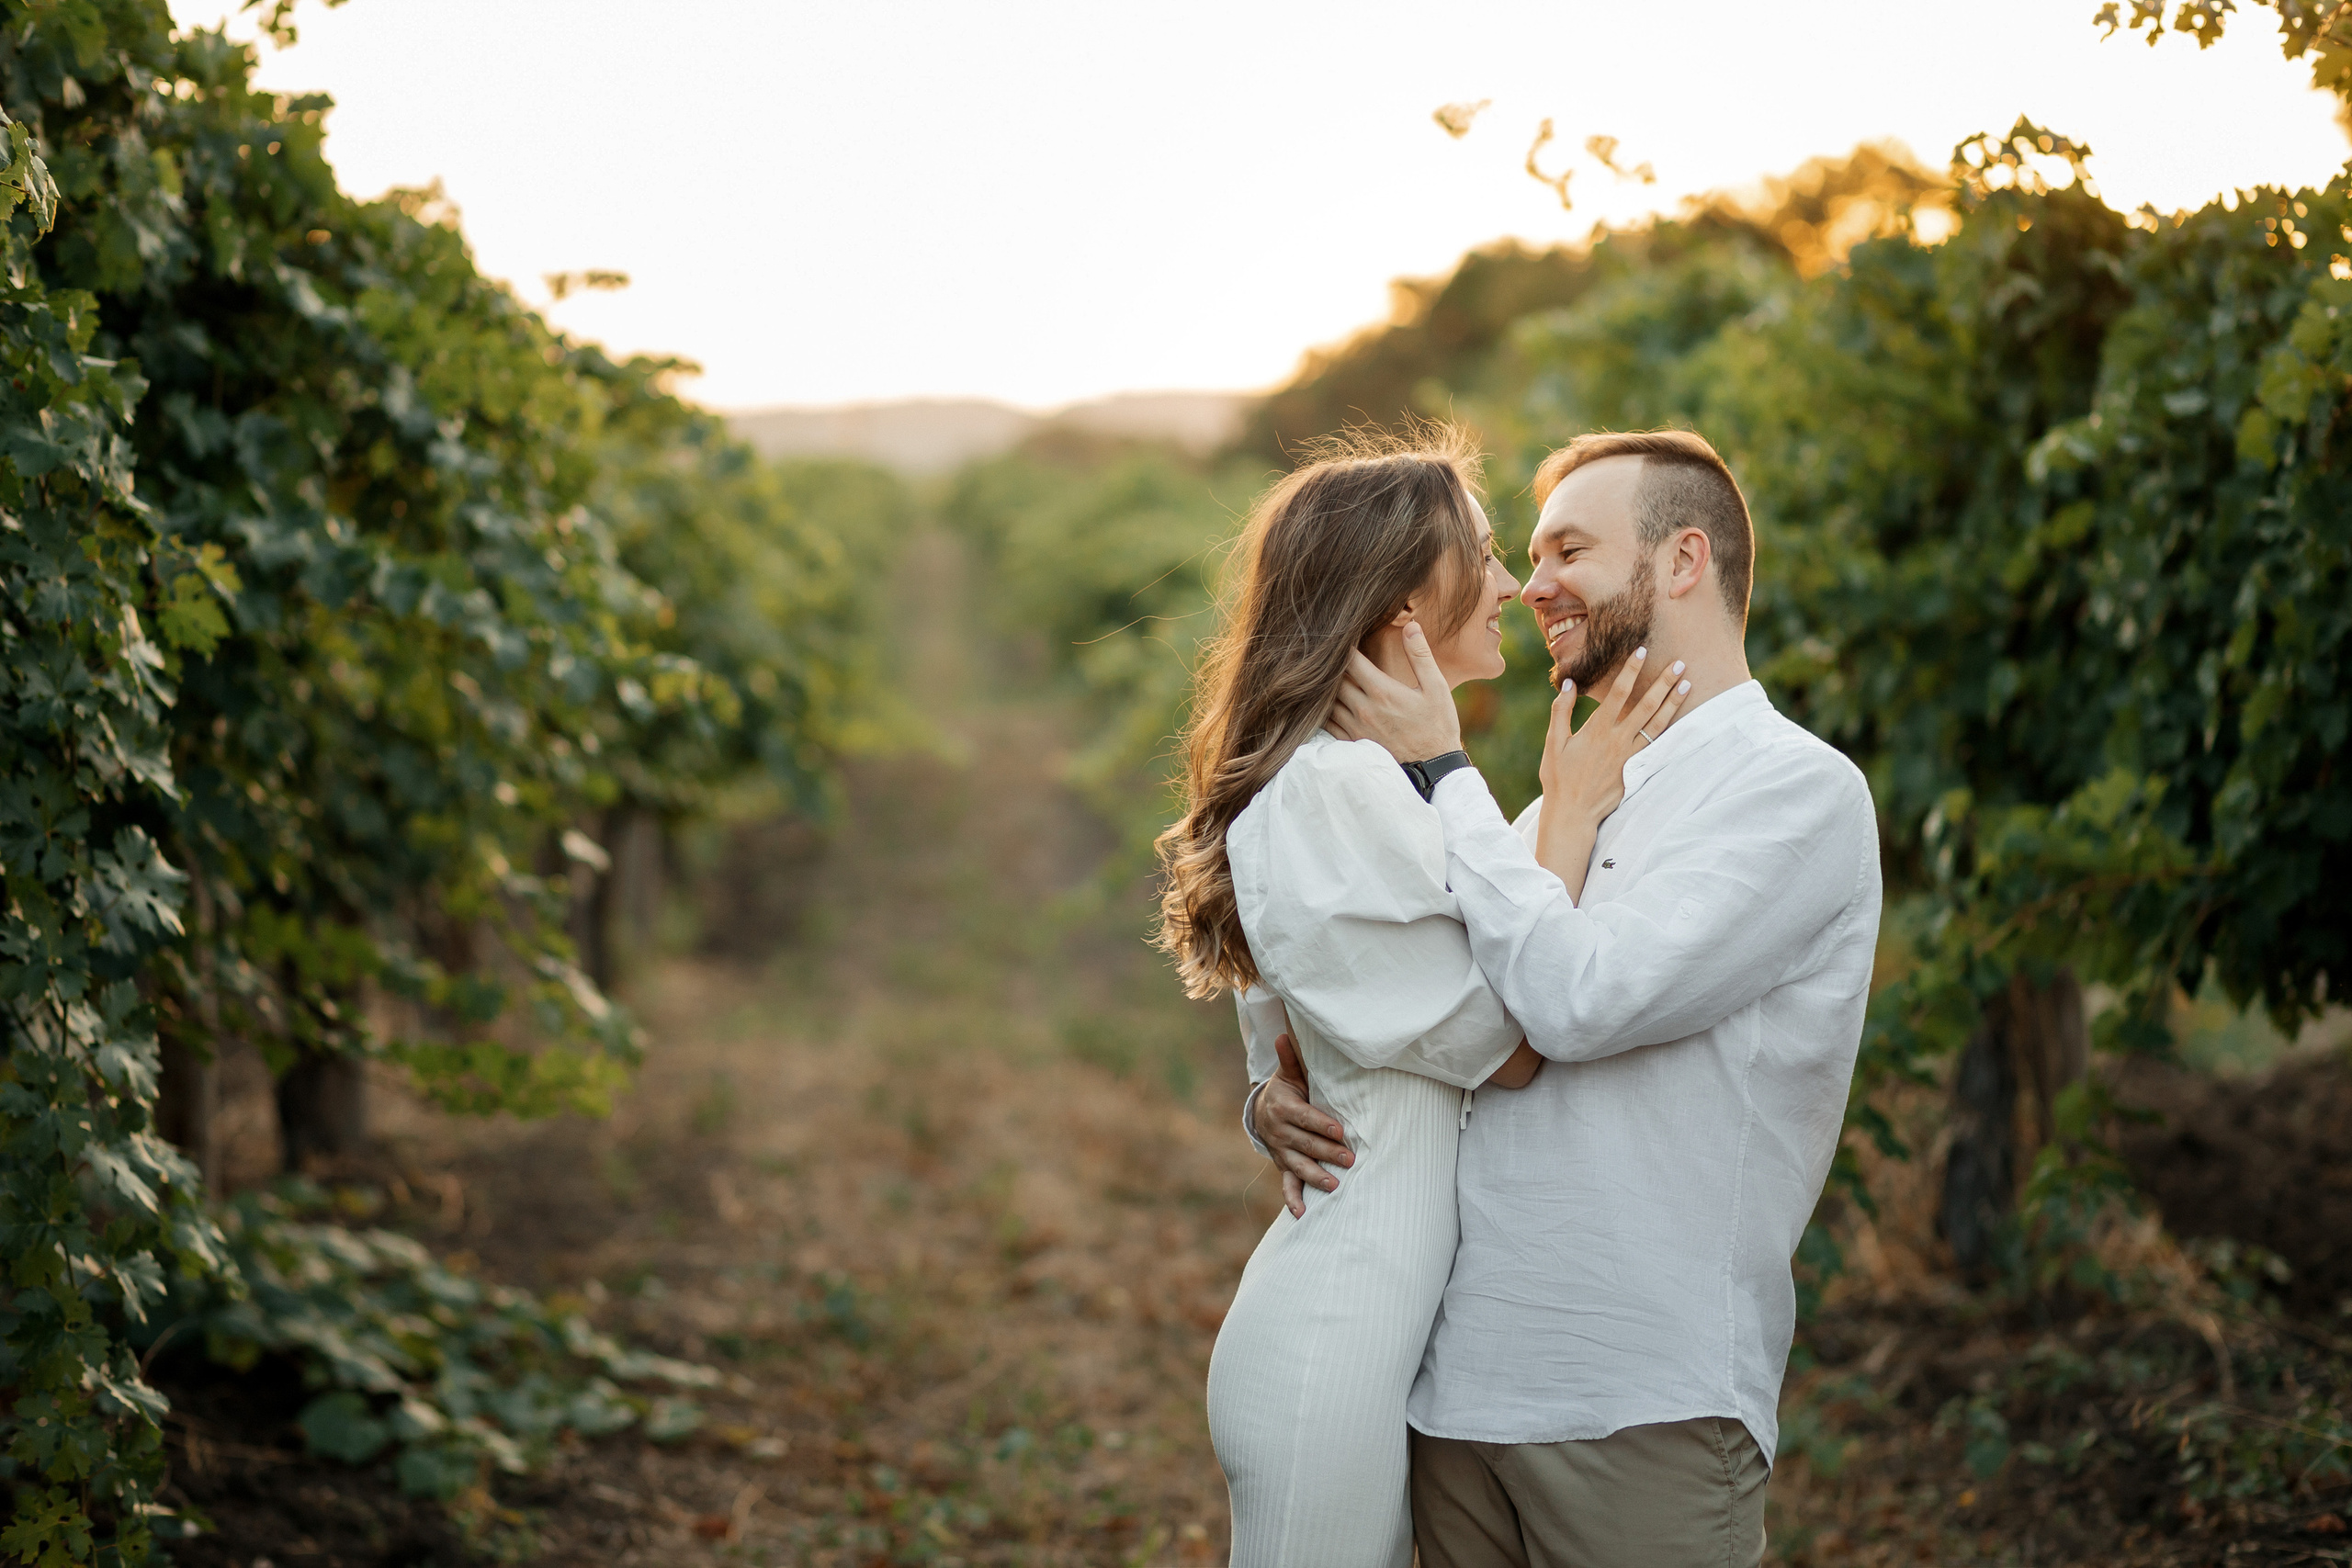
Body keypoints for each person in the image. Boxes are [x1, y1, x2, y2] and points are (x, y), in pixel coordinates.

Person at [1251, 428, 1883, 1568]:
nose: (1529, 585)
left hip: (1635, 1404)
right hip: (1453, 1397)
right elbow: (1408, 995)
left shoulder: (1793, 791)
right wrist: (1275, 1094)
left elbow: (1577, 1003)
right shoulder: (1558, 803)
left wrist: (1446, 772)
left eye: (1567, 552)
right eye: (1528, 554)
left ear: (1682, 560)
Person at [1155, 428, 1646, 1568]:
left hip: (1374, 1326)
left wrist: (1264, 1102)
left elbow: (1287, 1025)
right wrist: (1566, 815)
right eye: (1485, 553)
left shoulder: (1357, 784)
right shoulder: (1338, 789)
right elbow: (1512, 1044)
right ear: (1400, 607)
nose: (1514, 585)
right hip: (1335, 1331)